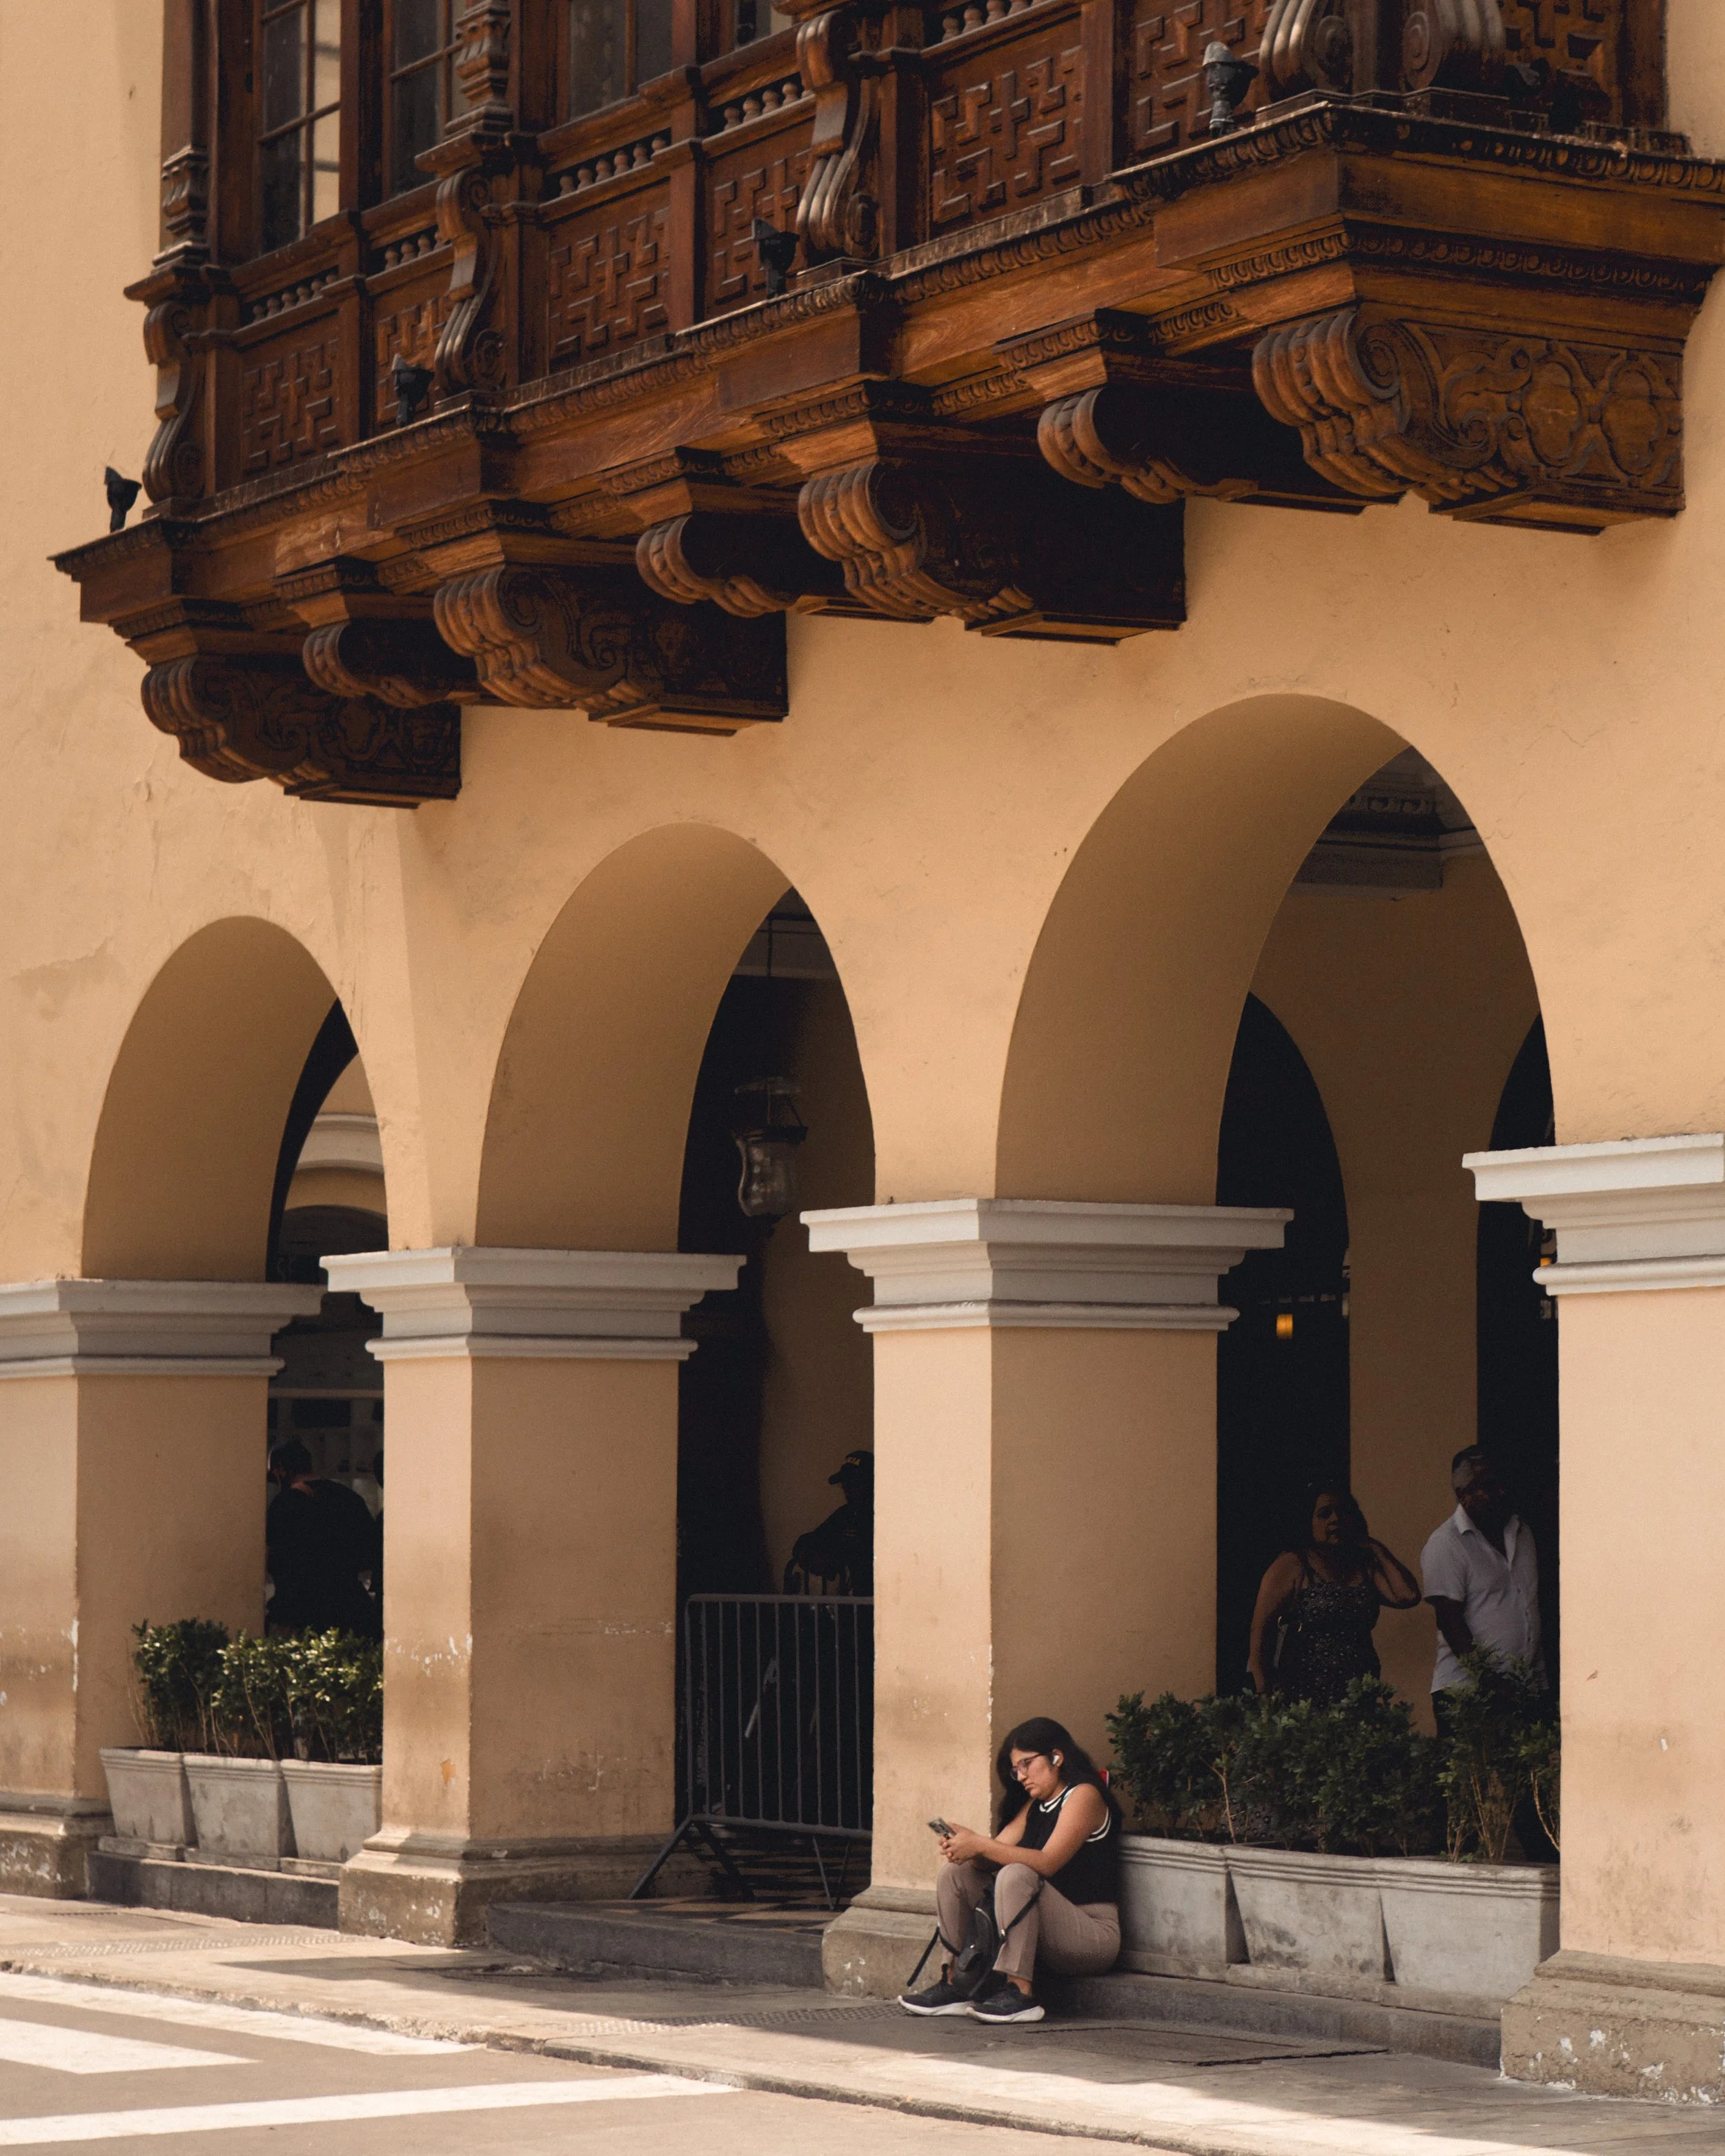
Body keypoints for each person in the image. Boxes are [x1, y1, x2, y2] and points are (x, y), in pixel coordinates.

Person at [898, 1716, 1121, 2025]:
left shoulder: (1083, 1795)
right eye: (1016, 1770)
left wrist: (981, 1845)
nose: (1021, 1776)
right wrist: (969, 1847)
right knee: (955, 1874)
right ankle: (956, 1983)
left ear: (1057, 1757)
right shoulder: (1036, 1804)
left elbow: (1046, 1862)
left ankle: (1020, 1992)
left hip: (1092, 1935)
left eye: (1027, 1764)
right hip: (1046, 1929)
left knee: (1017, 1874)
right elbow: (996, 1852)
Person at [1247, 1485, 1422, 1703]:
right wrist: (1263, 1691)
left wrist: (1377, 1548)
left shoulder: (1363, 1566)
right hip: (1304, 1692)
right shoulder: (1293, 1564)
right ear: (1308, 1521)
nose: (1336, 1519)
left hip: (1358, 1691)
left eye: (1343, 1512)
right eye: (1324, 1514)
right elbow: (1260, 1631)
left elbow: (1408, 1596)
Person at [1421, 1446, 1545, 1716]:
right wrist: (1489, 1680)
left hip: (1527, 1688)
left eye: (1502, 1483)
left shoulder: (1522, 1533)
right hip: (1467, 1692)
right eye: (1488, 1486)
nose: (1501, 1492)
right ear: (1462, 1494)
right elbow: (1450, 1621)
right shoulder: (1446, 1543)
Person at [265, 1440, 382, 1640]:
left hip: (299, 1612)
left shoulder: (284, 1504)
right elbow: (370, 1552)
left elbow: (272, 1559)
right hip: (350, 1609)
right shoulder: (349, 1498)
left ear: (281, 1470)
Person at [784, 1448, 874, 1594]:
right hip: (849, 1607)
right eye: (845, 1484)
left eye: (854, 1483)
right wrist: (808, 1555)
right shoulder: (847, 1514)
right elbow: (811, 1539)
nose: (846, 1489)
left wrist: (837, 1558)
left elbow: (864, 1556)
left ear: (870, 1483)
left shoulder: (884, 1518)